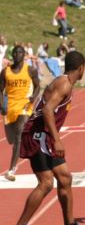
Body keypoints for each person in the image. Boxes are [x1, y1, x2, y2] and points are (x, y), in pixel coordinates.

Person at [9, 51, 85, 225]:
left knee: (65, 179)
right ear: (81, 68)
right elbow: (47, 109)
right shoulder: (64, 84)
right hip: (37, 135)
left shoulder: (65, 83)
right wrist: (57, 139)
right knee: (46, 182)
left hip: (45, 135)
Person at [1, 45, 41, 181]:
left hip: (25, 105)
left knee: (19, 134)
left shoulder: (30, 70)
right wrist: (2, 105)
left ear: (24, 55)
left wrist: (33, 98)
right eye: (15, 52)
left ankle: (11, 170)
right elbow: (0, 90)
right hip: (10, 107)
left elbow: (38, 86)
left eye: (20, 52)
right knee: (12, 139)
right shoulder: (5, 72)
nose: (18, 54)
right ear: (12, 55)